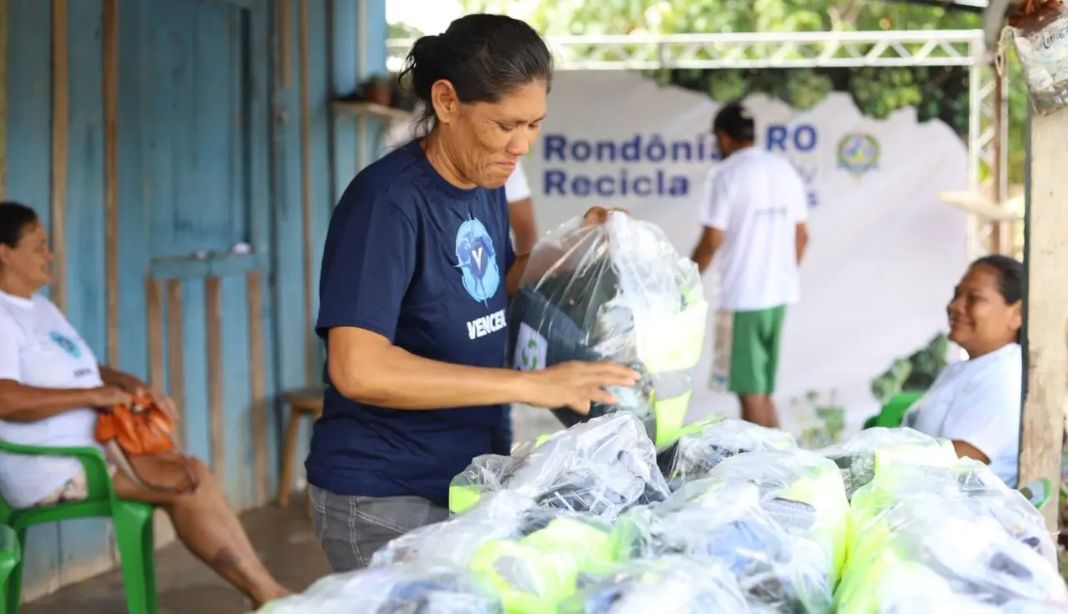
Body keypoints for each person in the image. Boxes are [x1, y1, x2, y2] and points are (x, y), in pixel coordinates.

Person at [310, 13, 638, 572]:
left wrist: (575, 247)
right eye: (506, 124)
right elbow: (358, 368)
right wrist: (530, 385)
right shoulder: (387, 203)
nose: (521, 145)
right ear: (446, 101)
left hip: (460, 479)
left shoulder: (483, 183)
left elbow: (490, 289)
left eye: (533, 125)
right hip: (385, 495)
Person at [0, 202, 289, 607]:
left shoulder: (41, 308)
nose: (49, 255)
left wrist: (131, 385)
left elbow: (82, 369)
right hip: (51, 467)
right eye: (38, 246)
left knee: (194, 472)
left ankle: (268, 593)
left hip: (96, 450)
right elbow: (5, 399)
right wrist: (92, 396)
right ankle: (268, 595)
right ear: (4, 253)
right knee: (186, 483)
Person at [690, 101, 809, 428]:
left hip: (743, 297)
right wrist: (781, 273)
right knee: (762, 393)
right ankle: (782, 457)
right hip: (778, 296)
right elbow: (802, 235)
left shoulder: (725, 174)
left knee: (750, 394)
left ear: (723, 137)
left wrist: (684, 280)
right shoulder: (783, 170)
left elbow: (712, 240)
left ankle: (768, 460)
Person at [904, 255, 1023, 486]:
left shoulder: (1008, 375)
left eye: (974, 298)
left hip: (960, 506)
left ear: (1017, 314)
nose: (955, 306)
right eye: (956, 294)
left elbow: (961, 460)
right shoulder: (965, 368)